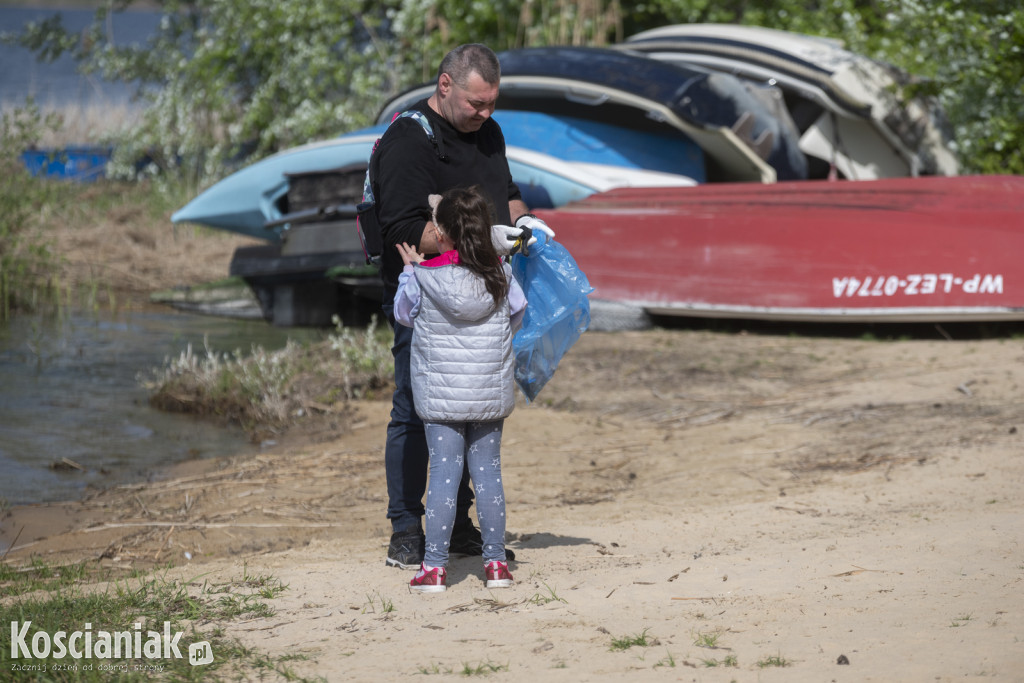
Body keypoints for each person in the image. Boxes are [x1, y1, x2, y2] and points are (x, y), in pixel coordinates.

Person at [367, 43, 552, 569]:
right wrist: (481, 238)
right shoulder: (409, 140)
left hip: (486, 296)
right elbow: (400, 229)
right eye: (477, 104)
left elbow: (507, 191)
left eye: (492, 104)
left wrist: (523, 225)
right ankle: (406, 527)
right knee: (414, 407)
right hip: (425, 299)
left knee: (474, 407)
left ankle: (460, 527)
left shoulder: (487, 133)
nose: (486, 114)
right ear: (445, 86)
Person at [393, 186, 527, 592]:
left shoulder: (424, 278)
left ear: (442, 234)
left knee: (444, 478)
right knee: (488, 476)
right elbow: (517, 315)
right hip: (488, 393)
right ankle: (496, 565)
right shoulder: (502, 275)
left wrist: (410, 269)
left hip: (441, 399)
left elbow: (404, 314)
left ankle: (433, 568)